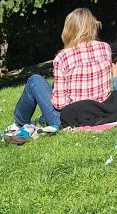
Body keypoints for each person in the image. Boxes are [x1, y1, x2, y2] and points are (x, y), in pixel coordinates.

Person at [9, 8, 111, 138]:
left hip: (69, 121)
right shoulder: (105, 48)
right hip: (99, 111)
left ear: (69, 29)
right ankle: (40, 119)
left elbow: (59, 103)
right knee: (55, 86)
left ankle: (18, 124)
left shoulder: (63, 57)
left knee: (35, 80)